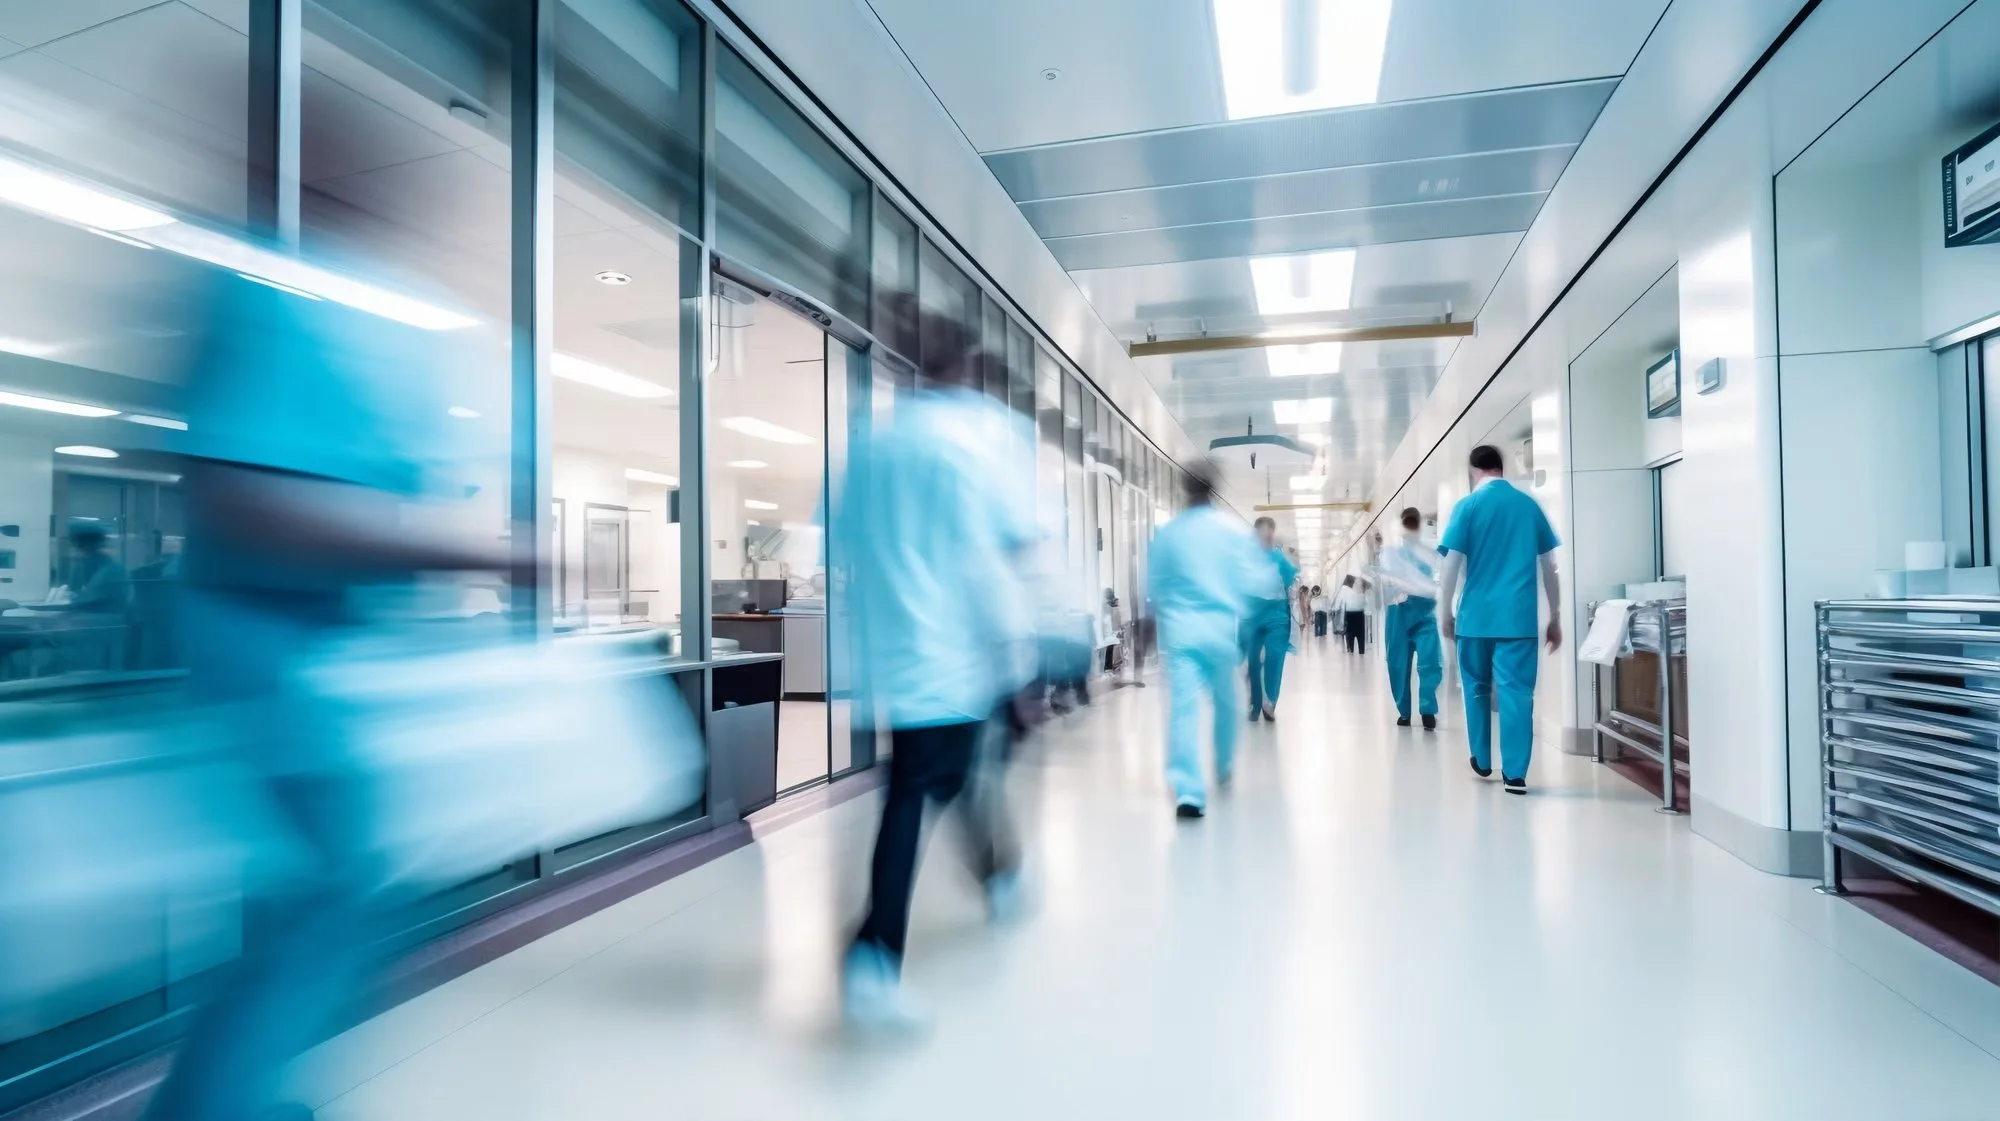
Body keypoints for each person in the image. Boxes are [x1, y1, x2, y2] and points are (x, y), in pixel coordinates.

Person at [144, 271, 519, 1121]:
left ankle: (234, 1095)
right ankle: (216, 1102)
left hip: (315, 677)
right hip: (273, 679)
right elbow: (255, 508)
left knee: (332, 901)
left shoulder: (336, 341)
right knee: (329, 896)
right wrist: (476, 554)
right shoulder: (265, 307)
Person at [840, 316, 1036, 1030]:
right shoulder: (972, 447)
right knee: (922, 788)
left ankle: (1001, 872)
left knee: (939, 779)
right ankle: (873, 952)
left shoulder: (872, 444)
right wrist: (1018, 669)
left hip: (895, 655)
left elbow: (844, 543)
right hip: (953, 654)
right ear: (968, 367)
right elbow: (993, 564)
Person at [1437, 444, 1563, 795]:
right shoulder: (1528, 506)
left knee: (1475, 687)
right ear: (1500, 467)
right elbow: (1549, 566)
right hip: (1519, 620)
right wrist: (1554, 615)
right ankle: (1516, 774)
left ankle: (1480, 757)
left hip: (1475, 617)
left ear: (1473, 471)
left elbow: (1450, 565)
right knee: (1517, 693)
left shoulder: (1467, 506)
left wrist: (1444, 610)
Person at [1147, 465, 1261, 819]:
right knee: (1228, 704)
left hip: (1180, 633)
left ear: (1185, 490)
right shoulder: (1231, 531)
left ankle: (1189, 791)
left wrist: (1152, 627)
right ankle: (1224, 765)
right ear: (1214, 489)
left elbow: (1154, 587)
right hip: (1219, 630)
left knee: (1183, 709)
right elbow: (1251, 581)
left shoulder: (1169, 534)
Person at [1373, 507, 1444, 731]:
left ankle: (1427, 709)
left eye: (1415, 524)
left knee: (1430, 662)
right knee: (1398, 664)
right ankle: (1404, 711)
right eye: (1409, 524)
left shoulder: (1430, 553)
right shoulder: (1391, 554)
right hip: (1399, 615)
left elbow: (1438, 579)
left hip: (1425, 614)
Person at [1241, 516, 1296, 721]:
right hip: (1252, 613)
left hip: (1276, 614)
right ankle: (1254, 702)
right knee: (1253, 660)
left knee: (1275, 655)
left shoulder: (1279, 558)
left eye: (1270, 531)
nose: (1268, 536)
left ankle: (1269, 702)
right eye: (1264, 531)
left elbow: (1289, 579)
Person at [1335, 576, 1366, 653]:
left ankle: (1360, 660)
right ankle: (1350, 657)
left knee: (1361, 645)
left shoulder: (1364, 595)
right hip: (1349, 618)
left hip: (1360, 618)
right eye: (1356, 583)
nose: (1357, 585)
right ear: (1353, 584)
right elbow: (1339, 605)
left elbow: (1368, 608)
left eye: (1360, 584)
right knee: (1350, 646)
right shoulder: (1347, 593)